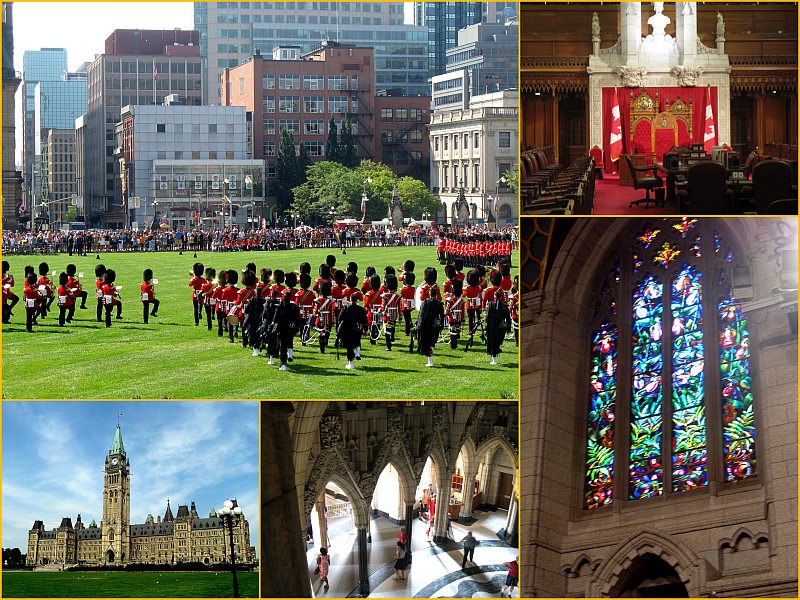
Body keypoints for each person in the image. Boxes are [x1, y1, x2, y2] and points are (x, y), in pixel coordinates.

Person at [414, 268, 444, 367]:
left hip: (426, 314)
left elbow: (422, 299)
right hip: (435, 315)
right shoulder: (436, 287)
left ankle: (428, 350)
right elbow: (439, 298)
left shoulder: (424, 287)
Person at [337, 294, 368, 369]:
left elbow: (340, 318)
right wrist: (366, 330)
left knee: (349, 346)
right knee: (357, 341)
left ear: (350, 300)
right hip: (358, 329)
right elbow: (365, 321)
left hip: (348, 329)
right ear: (357, 300)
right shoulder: (361, 309)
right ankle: (357, 353)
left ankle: (351, 363)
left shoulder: (346, 308)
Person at [273, 289, 301, 370]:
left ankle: (283, 363)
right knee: (288, 343)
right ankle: (289, 356)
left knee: (282, 346)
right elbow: (297, 319)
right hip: (290, 329)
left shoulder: (280, 306)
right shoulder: (293, 306)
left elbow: (275, 319)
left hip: (282, 328)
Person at [485, 290, 512, 365]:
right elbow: (508, 319)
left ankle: (494, 359)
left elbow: (487, 318)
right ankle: (497, 351)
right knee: (497, 342)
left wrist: (486, 329)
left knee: (493, 343)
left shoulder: (490, 305)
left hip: (493, 327)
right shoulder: (504, 306)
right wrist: (508, 328)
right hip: (500, 327)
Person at [381, 274, 402, 351]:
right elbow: (399, 308)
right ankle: (392, 337)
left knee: (387, 331)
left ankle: (388, 346)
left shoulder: (385, 296)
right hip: (394, 314)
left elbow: (383, 307)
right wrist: (400, 316)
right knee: (392, 325)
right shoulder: (397, 296)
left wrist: (380, 311)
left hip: (387, 315)